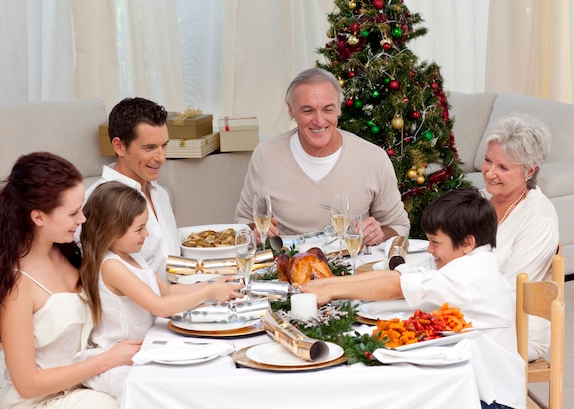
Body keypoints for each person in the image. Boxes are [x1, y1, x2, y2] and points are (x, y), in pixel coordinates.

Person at [302, 188, 525, 409]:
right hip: (473, 382)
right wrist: (326, 285)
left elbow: (395, 286)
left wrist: (329, 290)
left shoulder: (468, 275)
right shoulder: (465, 259)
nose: (429, 250)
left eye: (435, 242)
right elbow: (398, 276)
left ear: (467, 243)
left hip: (491, 398)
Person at [0, 152, 141, 409]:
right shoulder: (16, 285)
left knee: (152, 386)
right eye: (73, 213)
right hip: (44, 401)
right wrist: (107, 360)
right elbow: (27, 385)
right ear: (38, 217)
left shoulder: (66, 252)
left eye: (81, 209)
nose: (82, 220)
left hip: (89, 383)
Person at [79, 181, 243, 400]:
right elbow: (160, 307)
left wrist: (212, 283)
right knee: (162, 391)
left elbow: (165, 291)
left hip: (143, 345)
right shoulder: (111, 266)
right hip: (116, 359)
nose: (146, 234)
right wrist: (208, 292)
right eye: (139, 229)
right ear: (112, 230)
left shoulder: (132, 257)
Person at [234, 67, 409, 245]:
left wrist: (382, 234)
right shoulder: (266, 155)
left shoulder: (373, 158)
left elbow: (399, 225)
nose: (319, 121)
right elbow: (243, 219)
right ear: (291, 110)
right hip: (286, 267)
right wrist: (253, 232)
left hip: (353, 269)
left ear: (339, 110)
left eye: (328, 109)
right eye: (308, 111)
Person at [481, 112, 559, 361]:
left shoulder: (539, 218)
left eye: (503, 167)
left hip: (516, 330)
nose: (490, 173)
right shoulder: (480, 200)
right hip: (475, 313)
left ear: (530, 171)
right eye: (487, 161)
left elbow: (512, 291)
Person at [83, 97, 178, 282]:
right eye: (149, 147)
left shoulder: (162, 194)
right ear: (119, 146)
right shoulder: (97, 202)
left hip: (178, 300)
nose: (161, 157)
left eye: (164, 145)